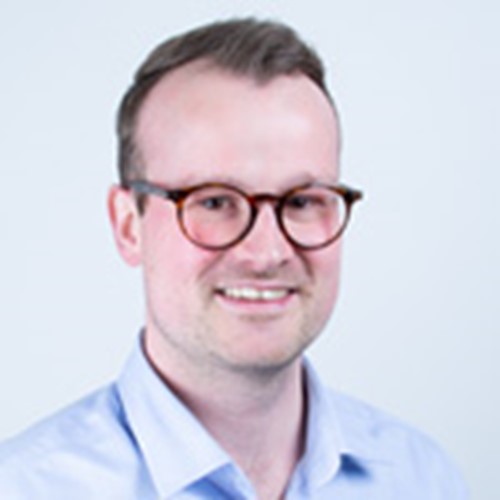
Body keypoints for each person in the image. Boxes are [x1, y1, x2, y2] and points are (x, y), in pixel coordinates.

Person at [0, 18, 467, 499]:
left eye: (302, 201)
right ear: (128, 226)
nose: (266, 253)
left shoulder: (423, 480)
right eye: (214, 202)